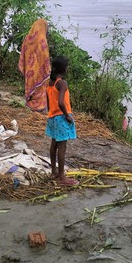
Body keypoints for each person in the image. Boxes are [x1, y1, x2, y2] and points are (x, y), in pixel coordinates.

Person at [45, 55, 78, 186]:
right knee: (62, 148)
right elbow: (61, 103)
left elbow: (49, 103)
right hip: (61, 117)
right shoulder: (62, 83)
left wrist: (52, 113)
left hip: (52, 117)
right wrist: (67, 116)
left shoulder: (50, 83)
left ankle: (54, 172)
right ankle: (62, 177)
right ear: (64, 69)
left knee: (54, 145)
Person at [18, 18, 51, 112]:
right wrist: (46, 68)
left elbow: (23, 53)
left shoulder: (28, 38)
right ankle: (39, 106)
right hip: (39, 69)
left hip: (29, 69)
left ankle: (30, 103)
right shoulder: (42, 40)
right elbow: (45, 56)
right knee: (40, 86)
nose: (47, 29)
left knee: (31, 85)